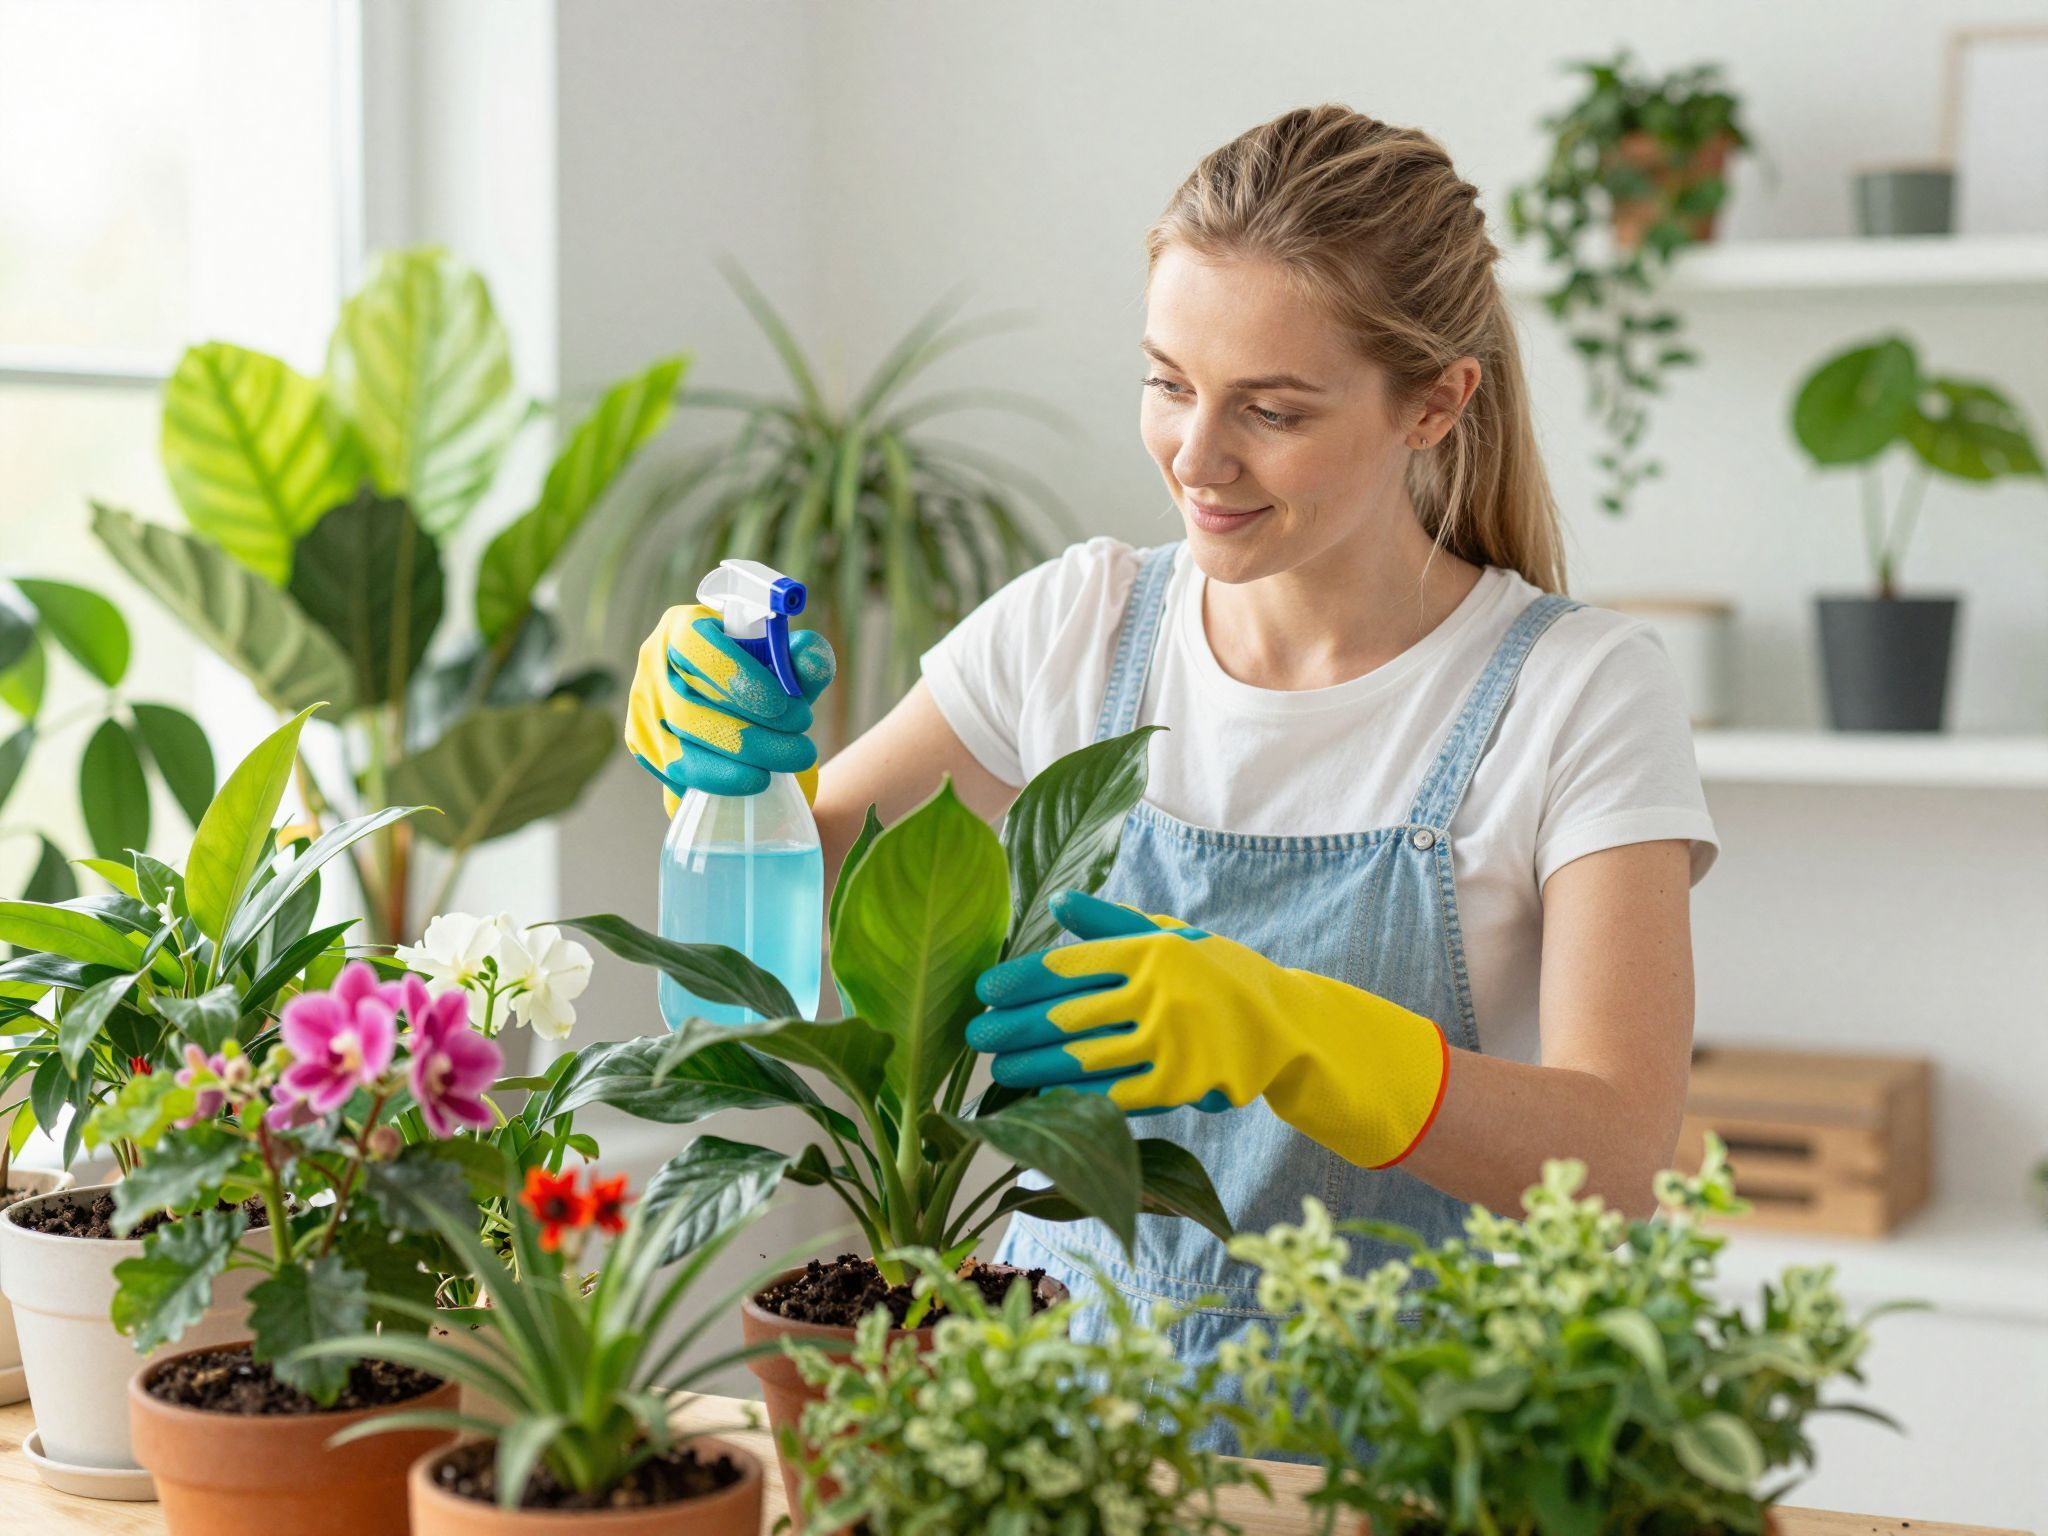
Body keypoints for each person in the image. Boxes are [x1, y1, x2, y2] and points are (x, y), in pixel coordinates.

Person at [625, 103, 1718, 1419]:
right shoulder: (1073, 629)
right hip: (1049, 1441)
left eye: (1273, 408)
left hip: (1401, 1451)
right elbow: (786, 948)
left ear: (1436, 401)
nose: (1198, 457)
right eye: (1168, 382)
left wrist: (1282, 1030)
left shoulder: (1572, 691)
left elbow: (1616, 1159)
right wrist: (731, 768)